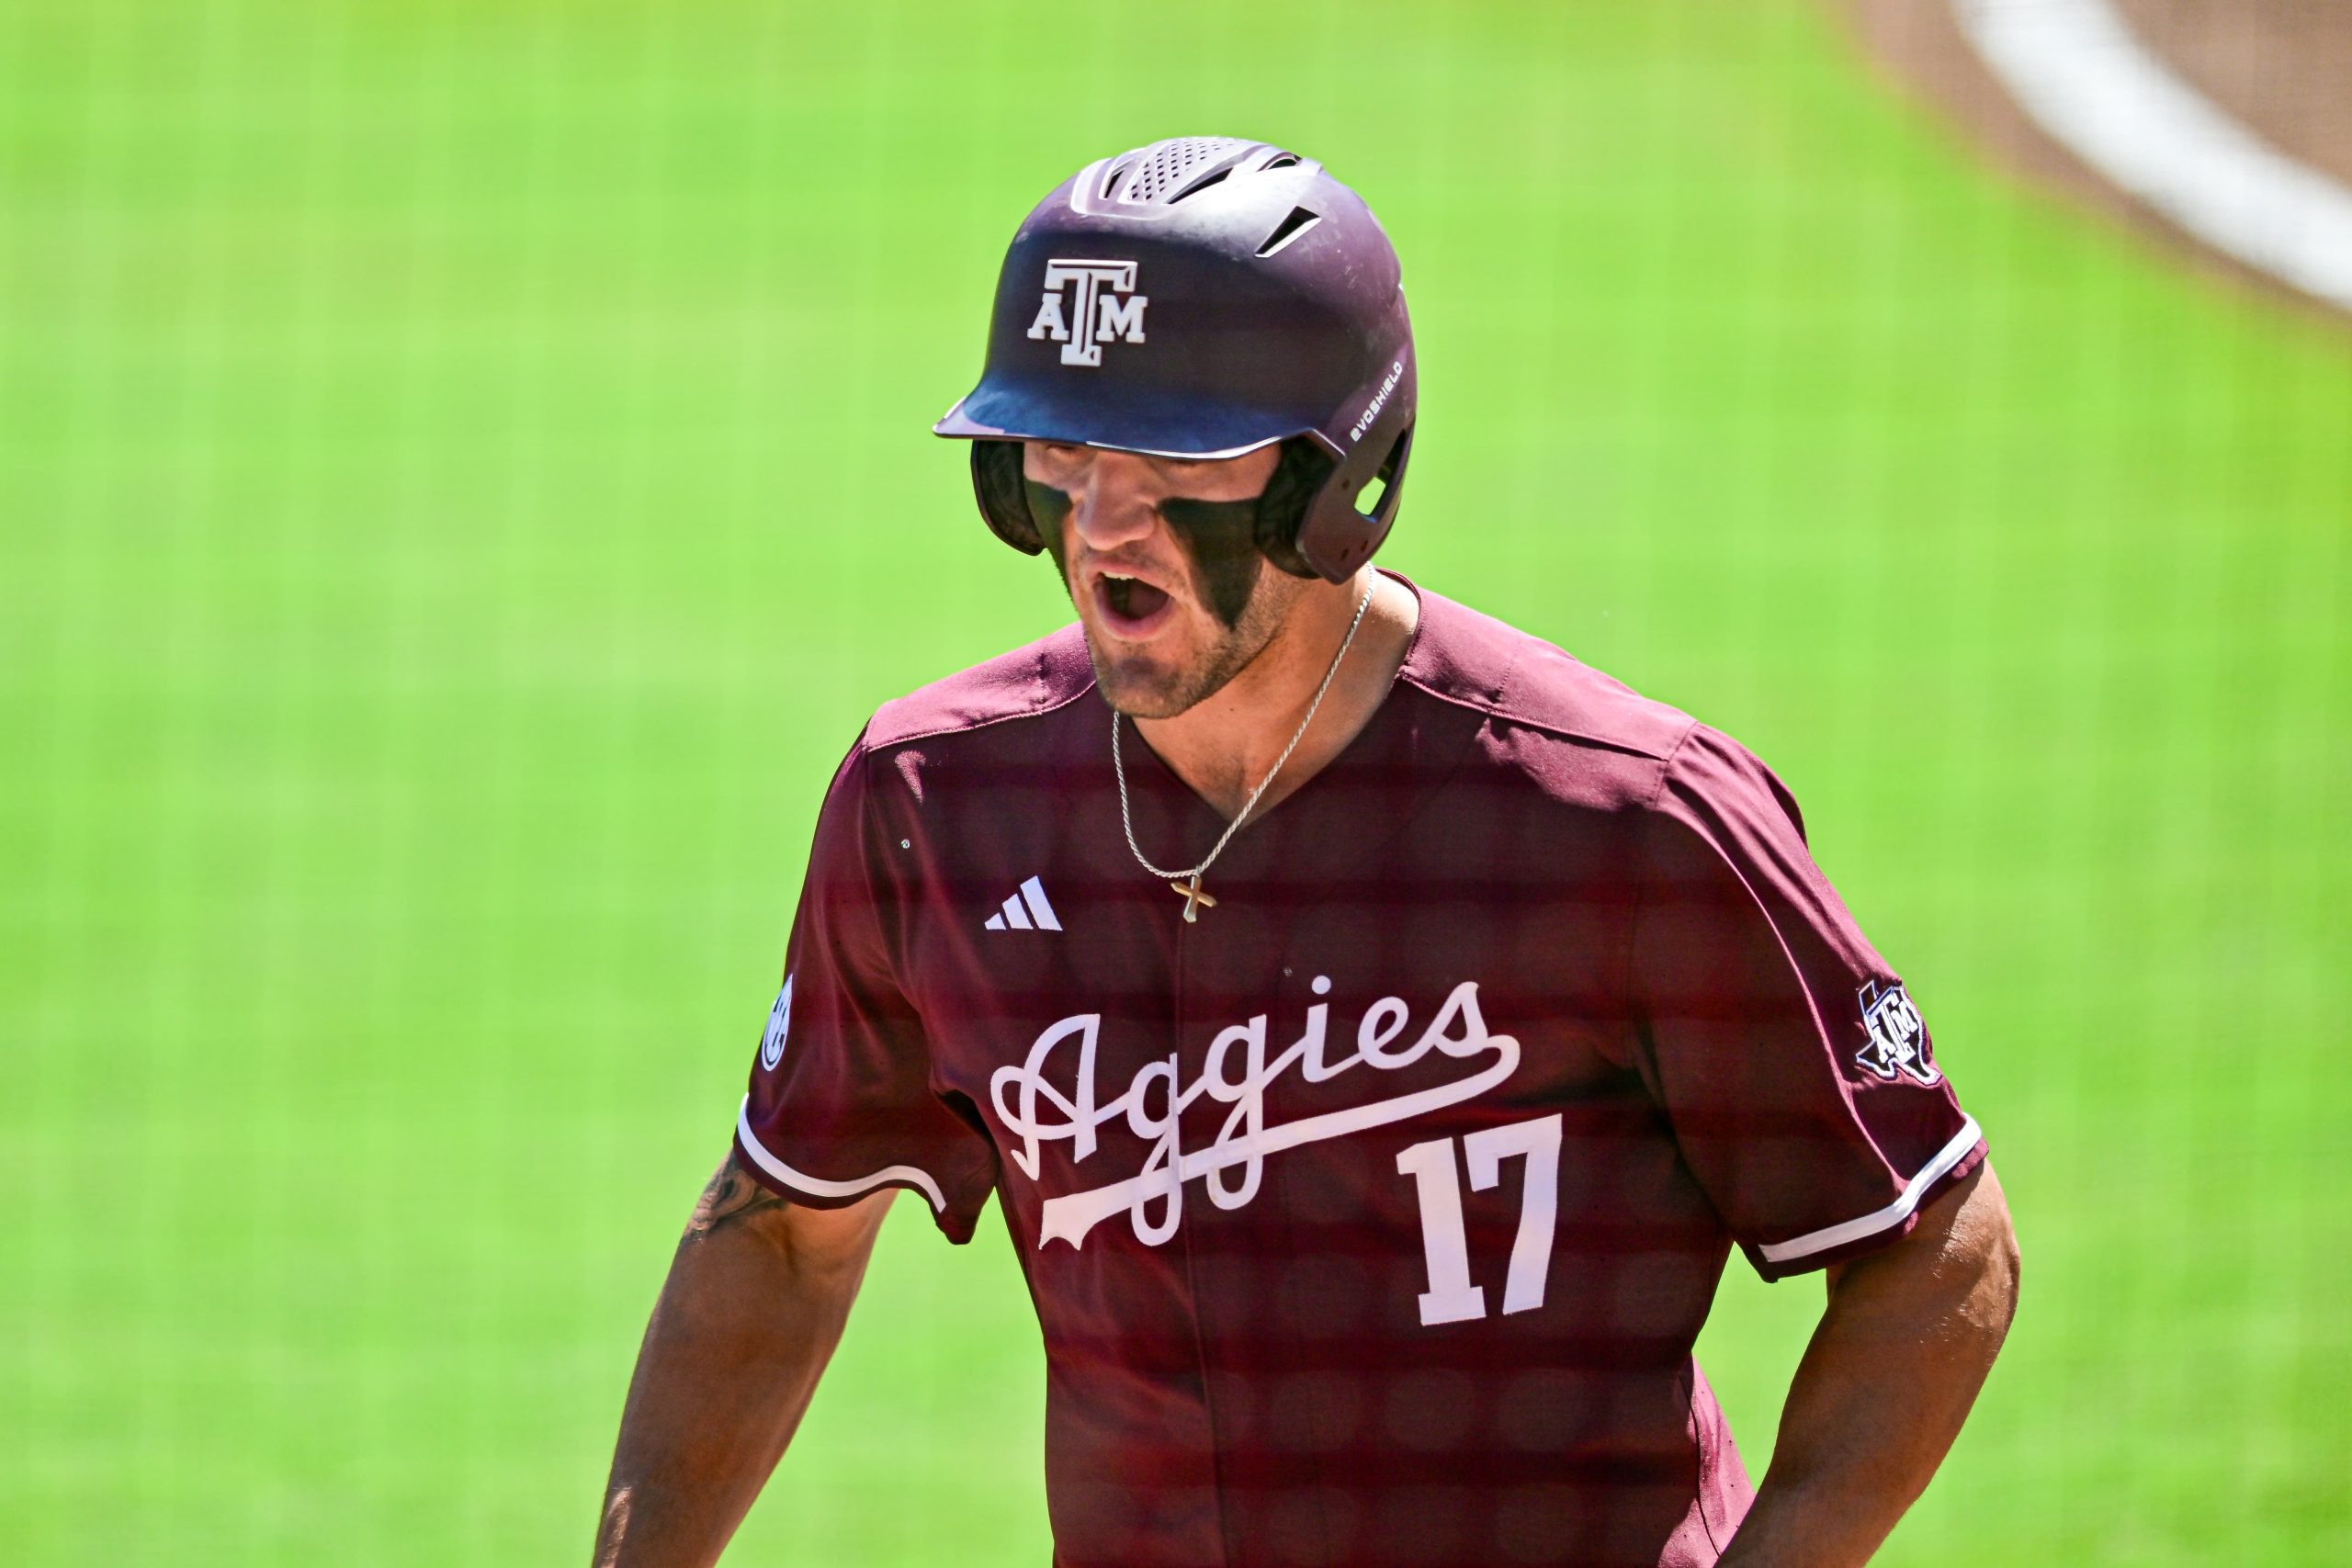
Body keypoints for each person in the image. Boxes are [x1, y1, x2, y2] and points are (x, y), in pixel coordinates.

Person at [592, 136, 2019, 1568]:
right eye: (1062, 448)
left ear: (1335, 478)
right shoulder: (938, 807)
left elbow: (1935, 1239)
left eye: (1172, 454)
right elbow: (780, 1232)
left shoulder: (1617, 819)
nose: (1102, 522)